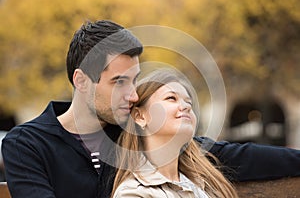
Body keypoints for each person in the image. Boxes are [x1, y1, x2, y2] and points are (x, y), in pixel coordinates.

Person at [1, 19, 300, 198]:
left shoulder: (132, 131)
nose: (132, 94)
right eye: (119, 82)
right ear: (81, 80)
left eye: (134, 80)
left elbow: (226, 154)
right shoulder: (26, 144)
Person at [112, 68, 238, 197]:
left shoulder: (206, 184)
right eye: (171, 98)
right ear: (140, 117)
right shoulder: (133, 193)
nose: (186, 106)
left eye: (189, 102)